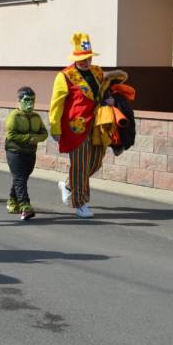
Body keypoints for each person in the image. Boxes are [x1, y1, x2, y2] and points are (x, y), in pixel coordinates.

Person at [49, 32, 113, 219]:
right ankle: (80, 203)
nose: (86, 62)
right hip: (75, 127)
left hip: (96, 124)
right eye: (82, 59)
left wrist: (108, 98)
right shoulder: (65, 76)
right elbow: (56, 104)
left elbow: (103, 91)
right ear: (75, 58)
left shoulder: (97, 72)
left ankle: (69, 185)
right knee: (80, 165)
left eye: (88, 58)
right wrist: (55, 127)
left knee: (95, 162)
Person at [4, 87, 48, 220]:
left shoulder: (36, 117)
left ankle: (12, 202)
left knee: (22, 178)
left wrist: (36, 139)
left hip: (30, 153)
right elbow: (10, 134)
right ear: (19, 101)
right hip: (15, 152)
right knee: (20, 178)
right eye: (26, 100)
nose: (30, 103)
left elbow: (44, 133)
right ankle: (25, 207)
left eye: (32, 100)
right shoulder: (14, 116)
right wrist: (28, 138)